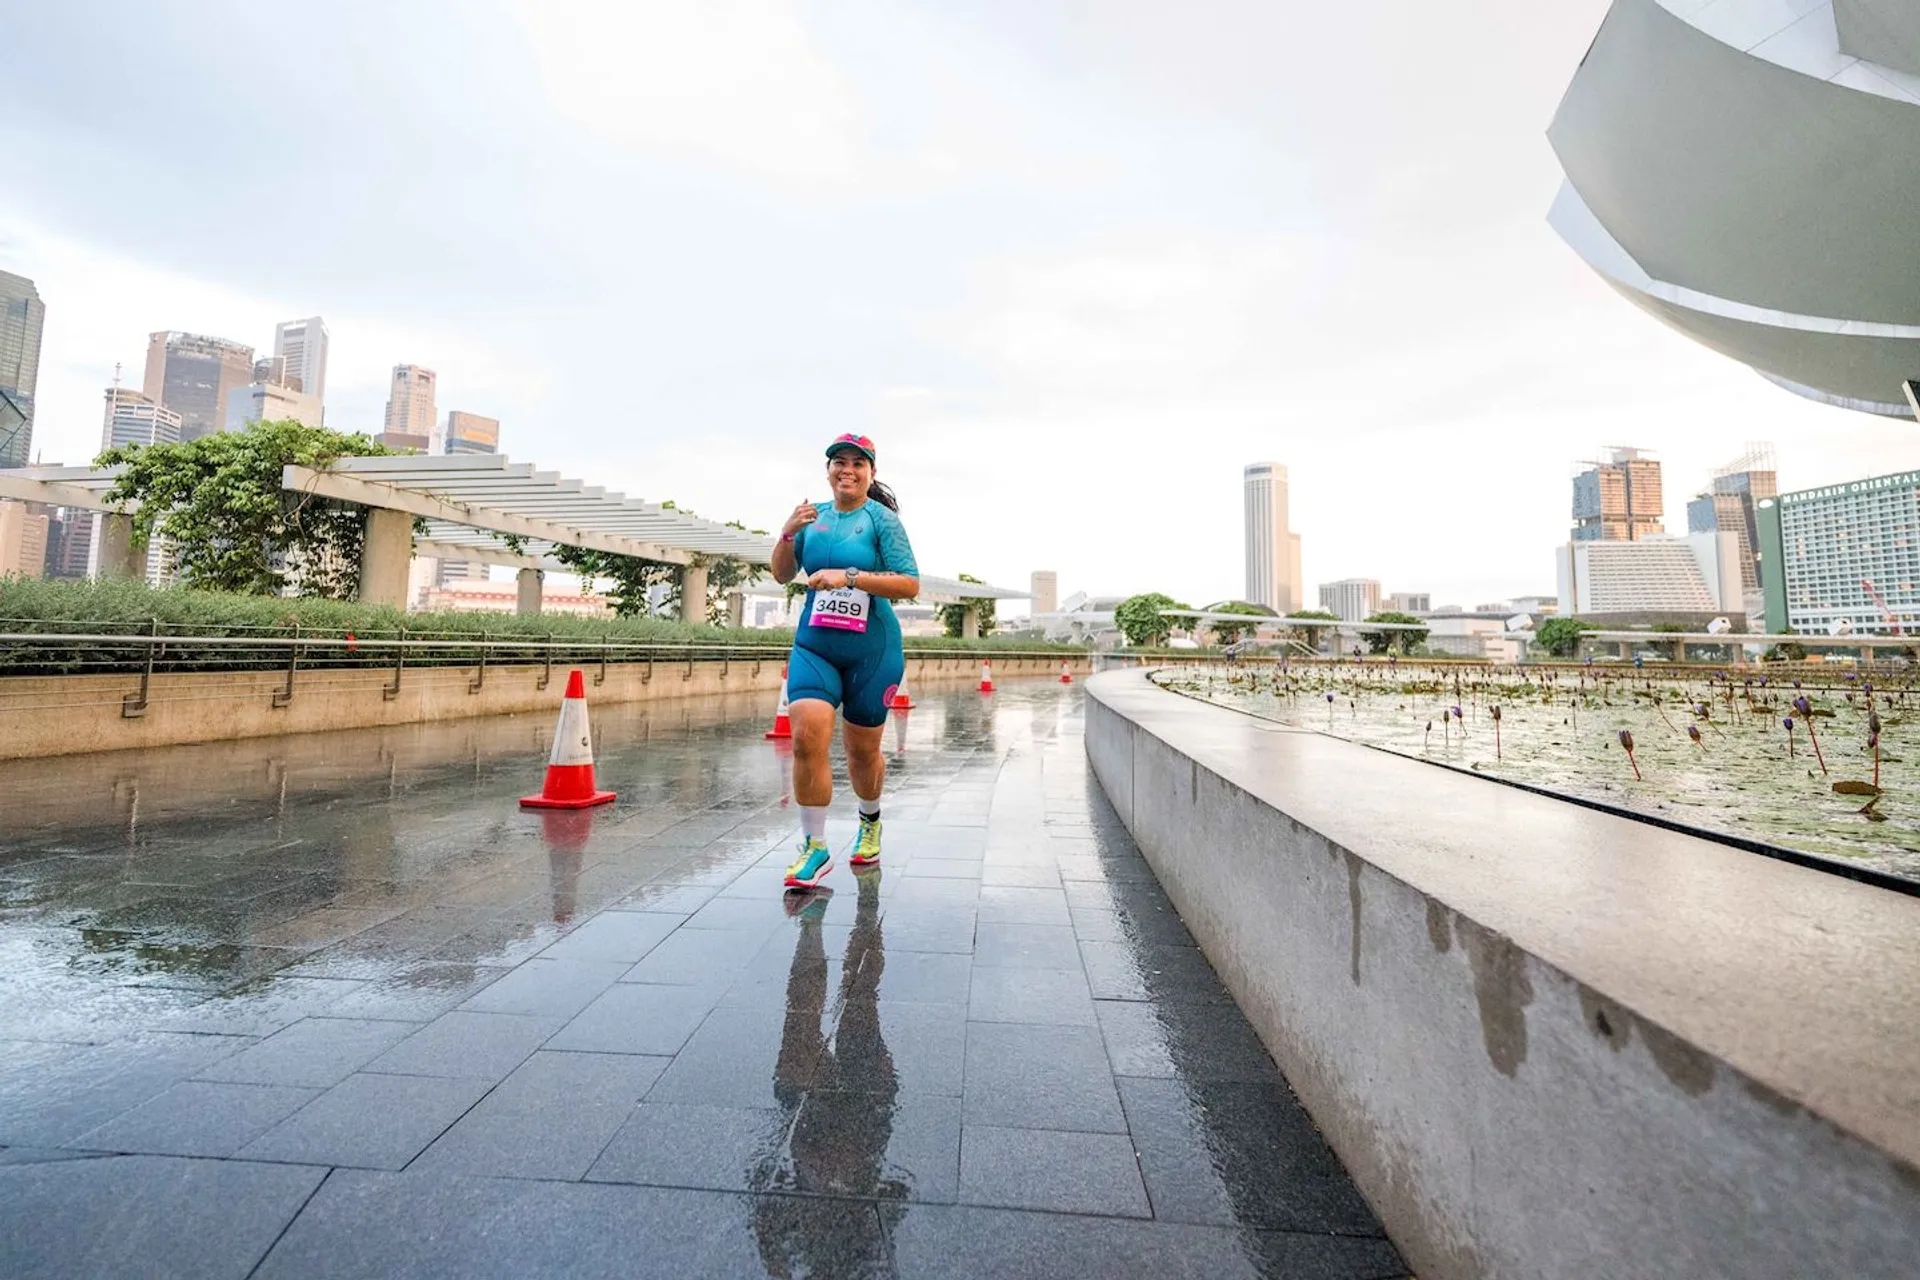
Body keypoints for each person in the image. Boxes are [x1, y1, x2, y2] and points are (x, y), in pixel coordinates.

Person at [771, 432, 920, 889]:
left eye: (859, 463)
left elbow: (910, 583)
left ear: (871, 472)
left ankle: (870, 821)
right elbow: (781, 574)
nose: (848, 470)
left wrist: (850, 577)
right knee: (807, 735)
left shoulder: (882, 520)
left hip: (871, 651)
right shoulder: (811, 517)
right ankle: (814, 847)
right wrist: (786, 531)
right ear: (829, 470)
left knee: (862, 753)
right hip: (815, 645)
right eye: (840, 462)